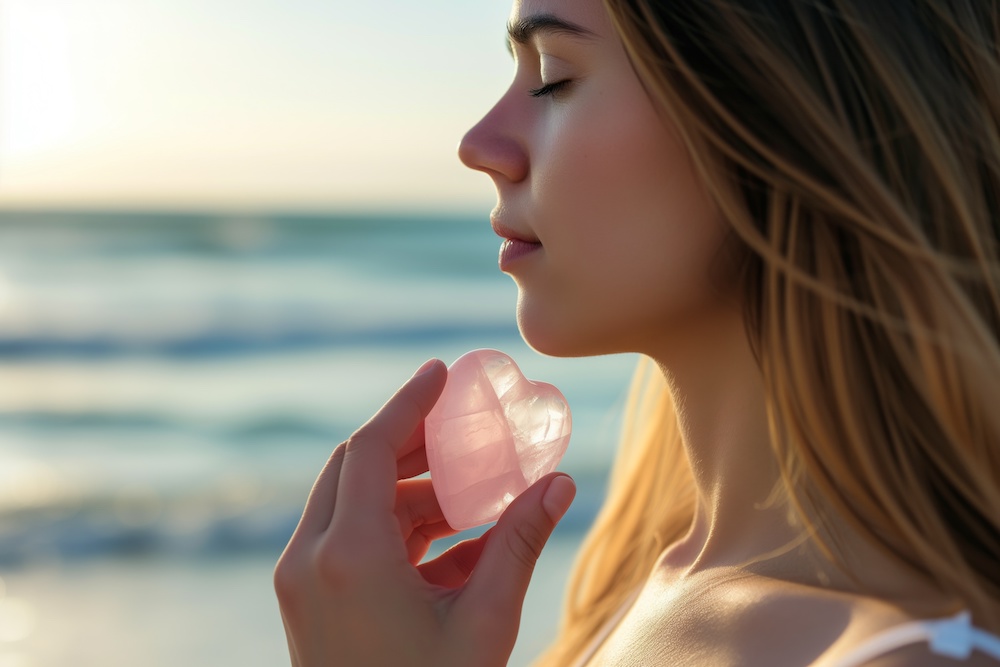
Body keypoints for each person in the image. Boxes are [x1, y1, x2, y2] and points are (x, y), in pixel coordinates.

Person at [273, 0, 1000, 664]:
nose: (478, 142)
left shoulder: (908, 655)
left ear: (774, 110)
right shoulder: (637, 583)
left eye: (554, 77)